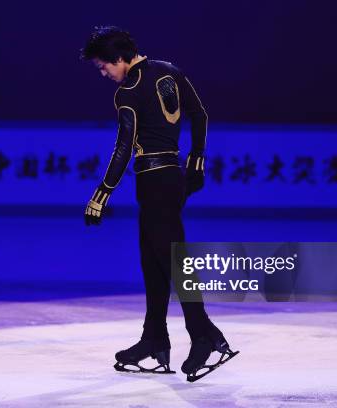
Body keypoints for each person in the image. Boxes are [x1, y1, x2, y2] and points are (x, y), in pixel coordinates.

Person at [80, 26, 238, 382]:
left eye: (104, 66)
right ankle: (154, 339)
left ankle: (206, 336)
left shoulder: (128, 91)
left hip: (154, 181)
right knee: (154, 262)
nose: (104, 73)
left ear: (120, 58)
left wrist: (101, 195)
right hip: (173, 177)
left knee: (171, 261)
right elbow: (200, 115)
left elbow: (123, 148)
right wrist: (196, 163)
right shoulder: (171, 70)